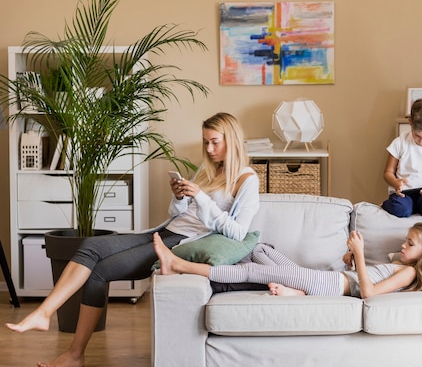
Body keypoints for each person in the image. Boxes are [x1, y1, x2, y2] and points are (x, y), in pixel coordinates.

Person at [5, 112, 260, 367]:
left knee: (99, 272)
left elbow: (238, 232)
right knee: (90, 245)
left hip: (179, 244)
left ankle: (74, 354)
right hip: (167, 231)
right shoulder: (208, 168)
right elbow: (179, 214)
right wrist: (180, 197)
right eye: (206, 142)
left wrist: (202, 197)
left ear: (233, 140)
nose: (209, 148)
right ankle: (45, 313)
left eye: (215, 142)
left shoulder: (247, 180)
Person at [154, 221, 422, 298]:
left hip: (332, 286)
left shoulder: (409, 274)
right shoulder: (399, 261)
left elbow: (368, 293)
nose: (402, 244)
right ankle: (298, 292)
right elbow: (365, 276)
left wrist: (359, 254)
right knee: (261, 249)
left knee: (252, 270)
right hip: (331, 280)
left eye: (410, 244)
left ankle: (177, 264)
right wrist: (351, 258)